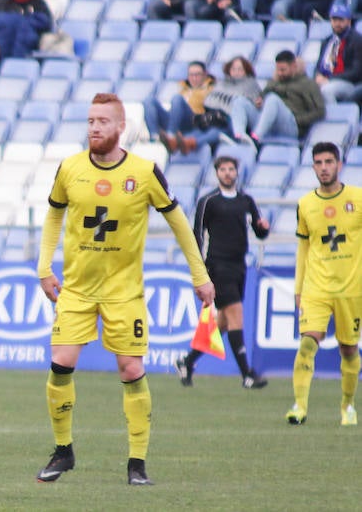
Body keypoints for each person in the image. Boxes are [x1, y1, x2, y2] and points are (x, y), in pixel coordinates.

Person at [35, 93, 215, 486]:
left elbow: (180, 223)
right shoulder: (69, 169)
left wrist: (199, 274)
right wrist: (43, 267)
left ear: (121, 128)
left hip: (124, 293)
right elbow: (53, 214)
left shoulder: (145, 172)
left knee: (131, 369)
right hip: (77, 291)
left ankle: (137, 464)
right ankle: (63, 451)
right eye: (90, 120)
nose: (94, 127)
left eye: (102, 121)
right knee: (60, 364)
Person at [176, 156, 270, 389]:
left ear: (237, 172)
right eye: (223, 169)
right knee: (236, 313)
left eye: (231, 169)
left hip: (239, 266)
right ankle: (247, 375)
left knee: (225, 323)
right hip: (218, 266)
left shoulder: (246, 201)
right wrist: (199, 270)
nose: (227, 173)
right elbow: (197, 234)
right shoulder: (209, 200)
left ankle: (187, 362)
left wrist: (262, 229)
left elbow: (259, 233)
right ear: (216, 173)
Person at [287, 141, 362, 427]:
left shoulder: (358, 198)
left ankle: (348, 406)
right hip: (316, 287)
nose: (323, 168)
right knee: (308, 342)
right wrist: (298, 288)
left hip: (351, 289)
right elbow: (303, 249)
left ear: (339, 164)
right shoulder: (305, 204)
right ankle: (300, 406)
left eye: (328, 162)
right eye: (318, 163)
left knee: (349, 349)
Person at [231, 50, 325, 147]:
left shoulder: (308, 84)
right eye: (278, 69)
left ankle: (256, 138)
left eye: (283, 70)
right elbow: (263, 96)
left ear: (293, 66)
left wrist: (298, 120)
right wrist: (259, 101)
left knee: (272, 99)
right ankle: (240, 136)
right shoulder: (274, 81)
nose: (280, 73)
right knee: (239, 101)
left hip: (291, 126)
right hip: (269, 123)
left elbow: (320, 111)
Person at [186, 56, 262, 149]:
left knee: (217, 131)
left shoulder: (251, 84)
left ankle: (237, 138)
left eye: (240, 69)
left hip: (239, 124)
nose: (236, 72)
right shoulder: (221, 84)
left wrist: (224, 106)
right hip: (219, 121)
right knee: (210, 132)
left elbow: (251, 106)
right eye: (233, 69)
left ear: (246, 70)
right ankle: (185, 143)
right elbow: (208, 101)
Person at [142, 61, 216, 154]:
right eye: (191, 75)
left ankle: (170, 135)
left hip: (194, 121)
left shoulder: (211, 89)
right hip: (175, 118)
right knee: (149, 100)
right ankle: (154, 136)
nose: (194, 78)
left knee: (177, 99)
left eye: (197, 75)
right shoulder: (184, 88)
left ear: (205, 75)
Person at [314, 3, 362, 103]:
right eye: (334, 20)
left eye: (341, 20)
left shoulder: (357, 40)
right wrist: (318, 76)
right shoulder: (327, 41)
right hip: (327, 80)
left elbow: (356, 72)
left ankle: (335, 117)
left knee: (326, 90)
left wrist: (329, 79)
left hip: (350, 84)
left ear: (348, 22)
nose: (337, 24)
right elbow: (319, 65)